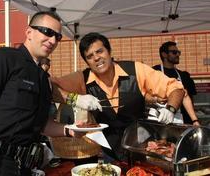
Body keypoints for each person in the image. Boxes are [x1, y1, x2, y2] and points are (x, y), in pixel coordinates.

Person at [0, 11, 88, 176]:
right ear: (29, 32)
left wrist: (70, 130)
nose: (52, 40)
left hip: (24, 165)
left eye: (57, 37)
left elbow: (41, 124)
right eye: (48, 32)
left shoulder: (43, 78)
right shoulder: (4, 58)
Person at [51, 32, 185, 162]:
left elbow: (175, 87)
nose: (96, 58)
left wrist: (171, 109)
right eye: (90, 56)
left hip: (143, 149)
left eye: (99, 51)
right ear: (87, 62)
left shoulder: (136, 69)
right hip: (110, 153)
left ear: (109, 51)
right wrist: (75, 98)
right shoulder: (82, 78)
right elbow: (49, 87)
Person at [151, 41, 200, 125]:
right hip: (159, 118)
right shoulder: (154, 72)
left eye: (178, 52)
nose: (177, 55)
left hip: (182, 121)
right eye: (174, 52)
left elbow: (188, 98)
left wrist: (194, 120)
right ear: (164, 55)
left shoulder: (184, 76)